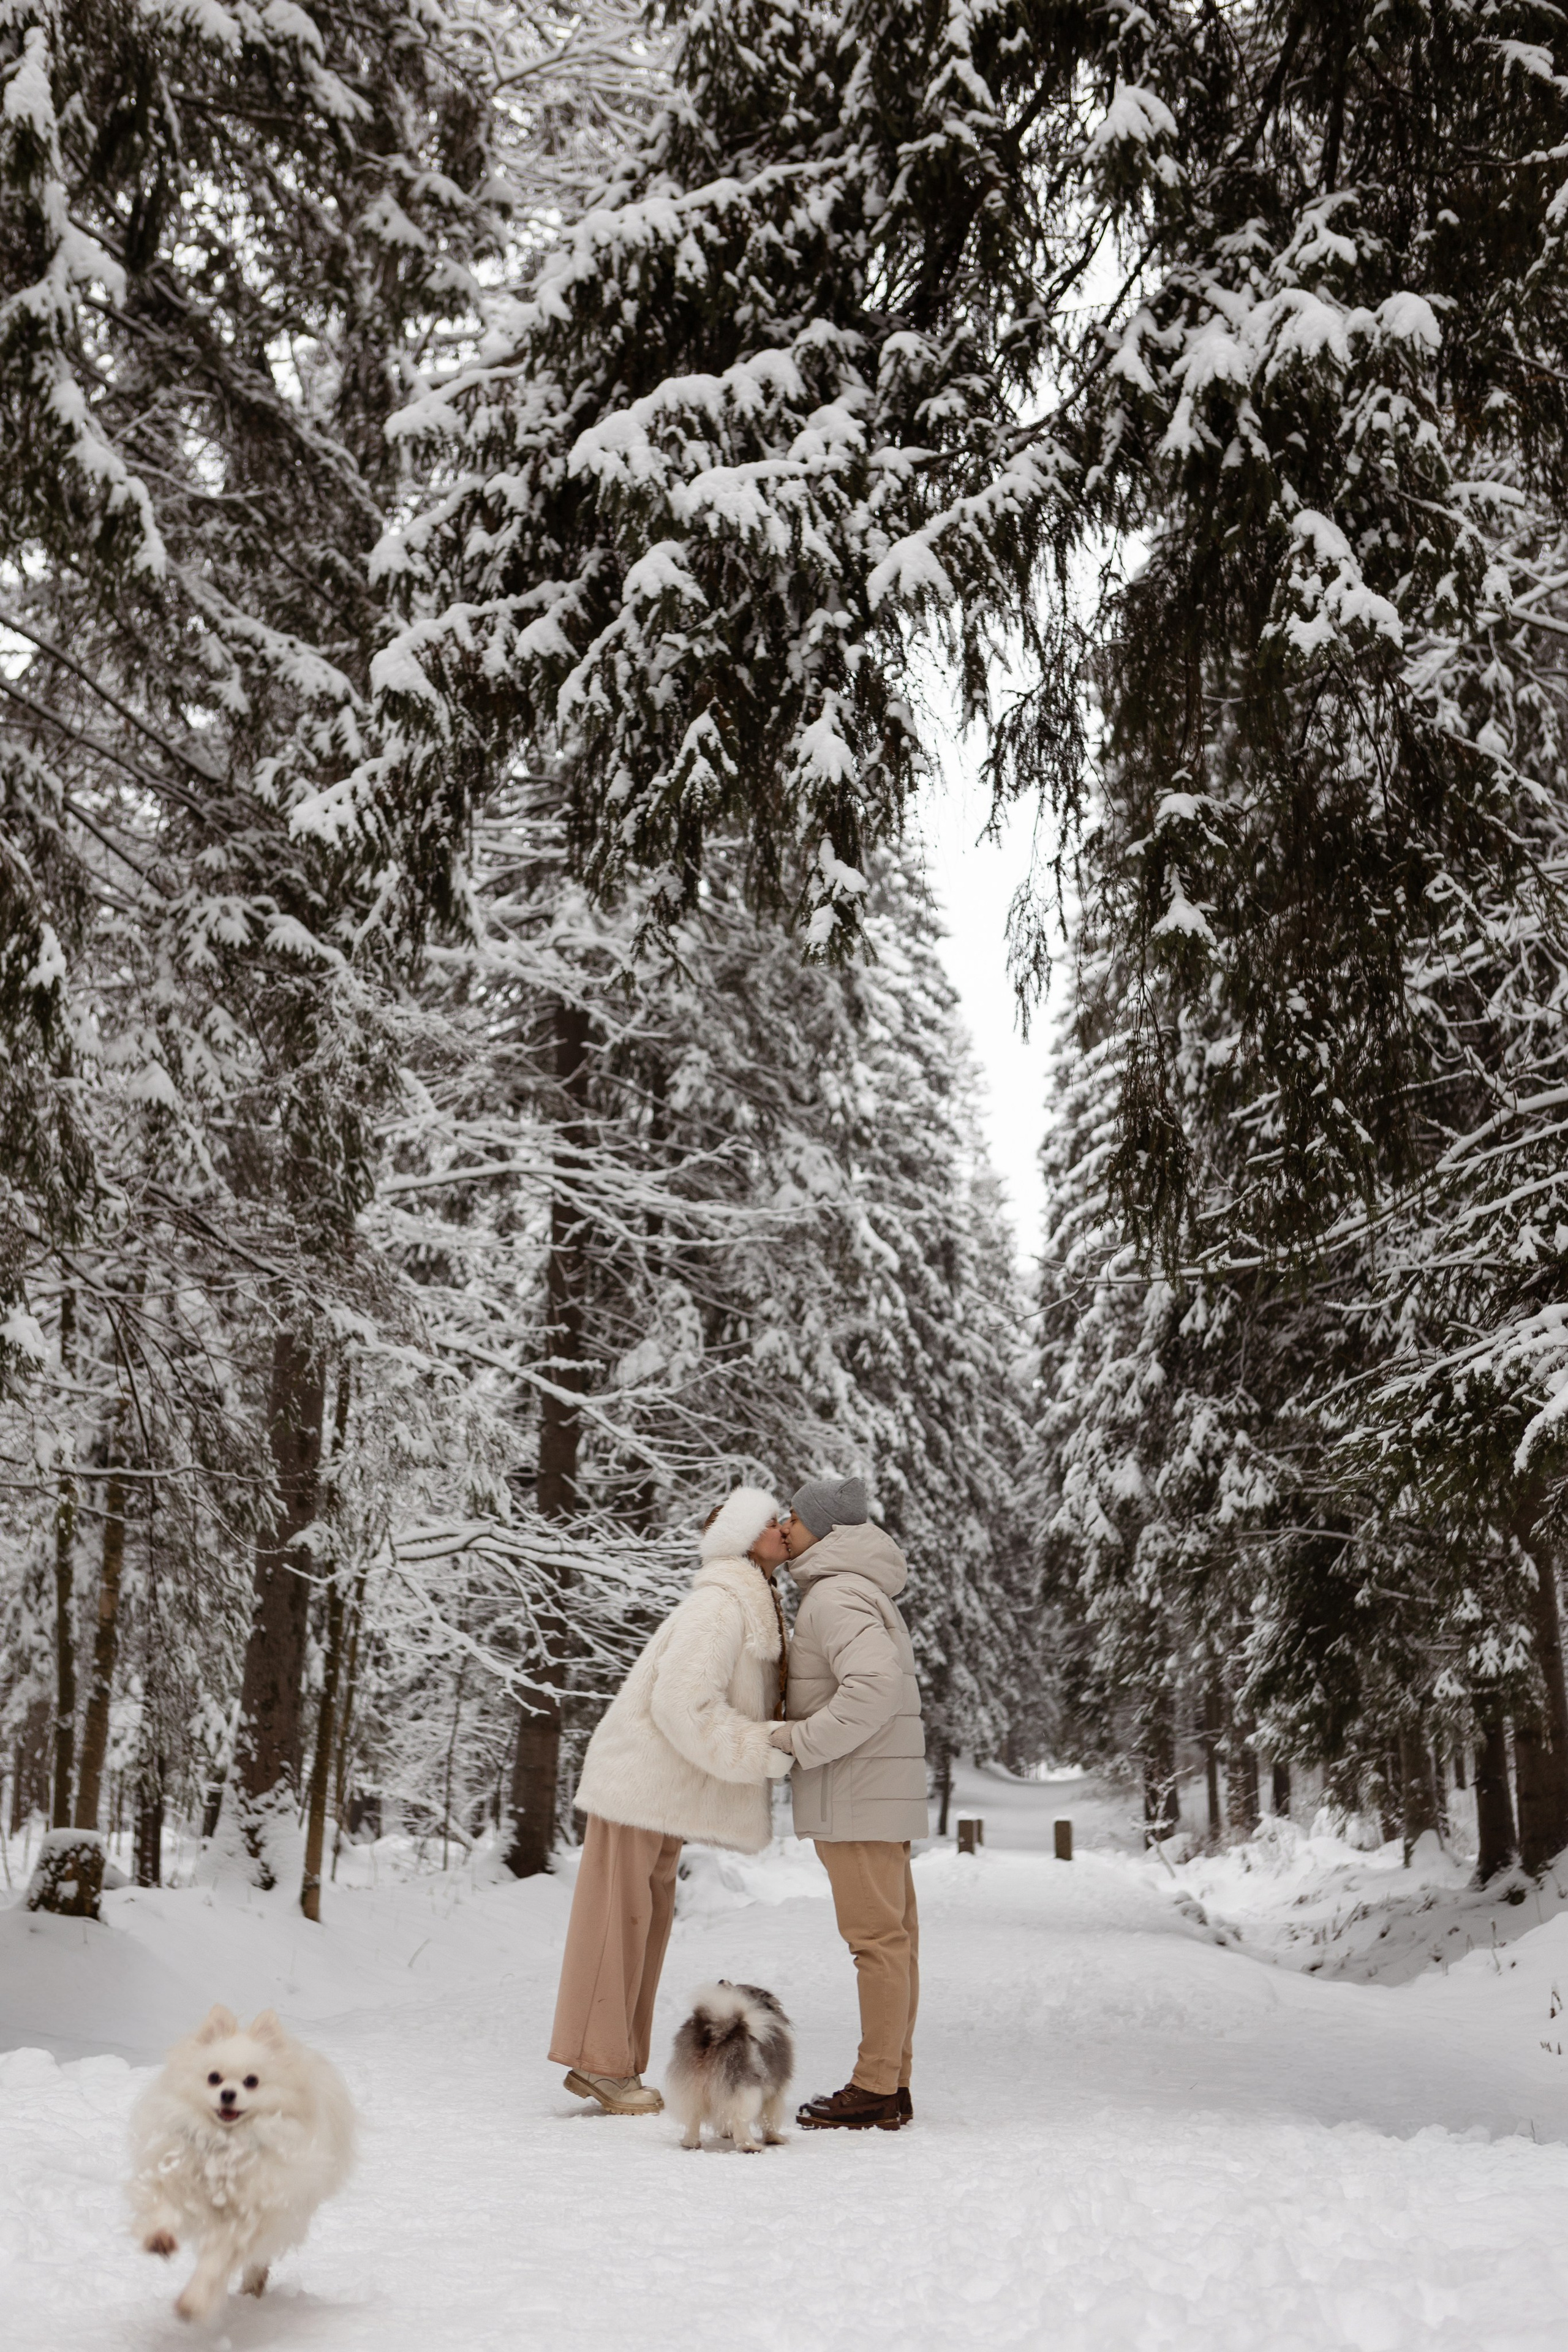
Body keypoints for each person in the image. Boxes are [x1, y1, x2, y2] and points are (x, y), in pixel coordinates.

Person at [548, 1486, 793, 2114]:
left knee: (643, 1922)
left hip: (662, 1788)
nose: (784, 1527)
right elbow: (682, 1701)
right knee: (617, 1922)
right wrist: (758, 1750)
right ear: (743, 1538)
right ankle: (599, 2065)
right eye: (772, 1521)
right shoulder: (720, 1605)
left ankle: (612, 2067)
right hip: (640, 1782)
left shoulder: (750, 1597)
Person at [767, 1474, 927, 2131]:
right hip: (873, 1794)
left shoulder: (832, 1596)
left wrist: (799, 1741)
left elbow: (874, 1686)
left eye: (795, 1519)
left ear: (825, 1530)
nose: (784, 1526)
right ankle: (890, 2084)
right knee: (894, 1943)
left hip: (857, 1794)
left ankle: (874, 2088)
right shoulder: (853, 1588)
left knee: (877, 1945)